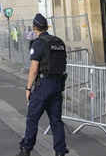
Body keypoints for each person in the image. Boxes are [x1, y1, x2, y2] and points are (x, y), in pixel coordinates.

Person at [17, 13, 68, 156]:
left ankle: (26, 149)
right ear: (46, 26)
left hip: (43, 86)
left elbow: (34, 69)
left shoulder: (39, 43)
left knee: (32, 119)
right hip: (57, 85)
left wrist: (28, 88)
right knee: (56, 121)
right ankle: (60, 151)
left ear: (34, 27)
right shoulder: (59, 42)